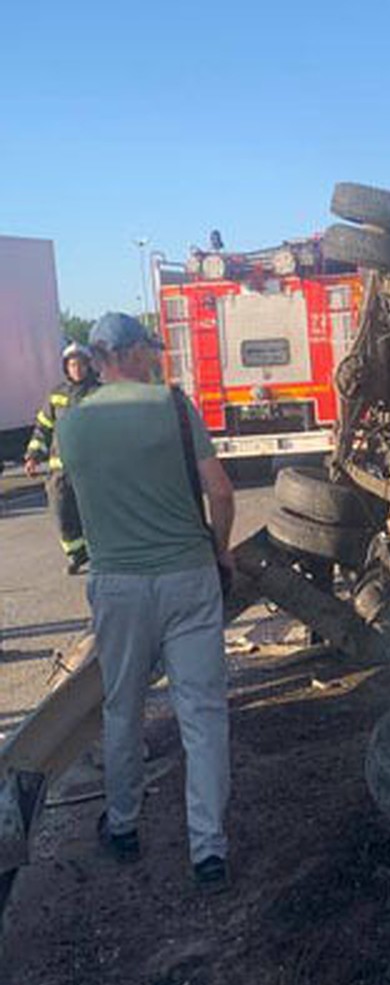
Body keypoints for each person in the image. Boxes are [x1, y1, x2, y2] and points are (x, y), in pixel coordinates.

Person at [56, 312, 237, 889]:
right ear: (128, 352)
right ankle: (209, 853)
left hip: (117, 585)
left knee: (122, 706)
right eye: (148, 350)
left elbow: (72, 498)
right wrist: (221, 548)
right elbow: (221, 489)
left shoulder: (72, 424)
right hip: (188, 575)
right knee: (202, 714)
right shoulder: (174, 408)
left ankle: (125, 826)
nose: (155, 358)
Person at [23, 343, 101, 573]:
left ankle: (100, 553)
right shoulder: (57, 395)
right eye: (72, 364)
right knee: (62, 512)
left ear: (89, 366)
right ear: (66, 367)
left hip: (92, 469)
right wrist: (33, 455)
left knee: (94, 514)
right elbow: (43, 427)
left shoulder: (99, 393)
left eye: (81, 364)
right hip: (61, 470)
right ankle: (76, 554)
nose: (77, 369)